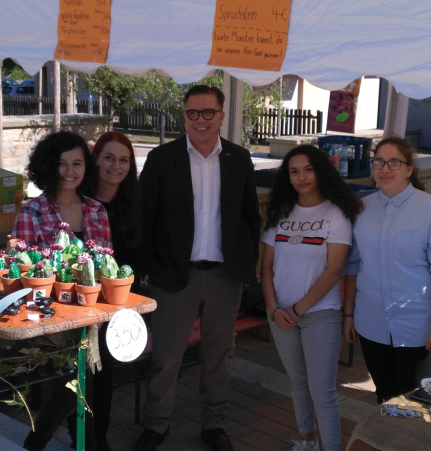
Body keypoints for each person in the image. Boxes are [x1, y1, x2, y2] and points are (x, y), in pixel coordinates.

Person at [135, 85, 262, 451]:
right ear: (184, 116)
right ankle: (157, 425)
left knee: (218, 354)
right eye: (193, 113)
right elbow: (147, 218)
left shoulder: (239, 159)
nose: (200, 120)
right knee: (166, 357)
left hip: (224, 275)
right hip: (176, 275)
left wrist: (245, 265)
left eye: (208, 112)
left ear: (221, 116)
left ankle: (214, 424)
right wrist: (146, 273)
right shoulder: (162, 159)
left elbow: (250, 218)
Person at [14, 131, 113, 451]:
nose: (70, 171)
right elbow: (23, 268)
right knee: (78, 384)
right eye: (62, 163)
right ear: (48, 166)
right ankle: (42, 441)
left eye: (77, 163)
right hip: (49, 317)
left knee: (82, 382)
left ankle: (76, 441)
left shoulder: (97, 211)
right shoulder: (31, 212)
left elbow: (106, 264)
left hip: (90, 315)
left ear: (87, 167)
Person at [343, 137, 431, 403]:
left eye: (394, 162)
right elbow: (353, 264)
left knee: (418, 403)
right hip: (371, 324)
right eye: (379, 162)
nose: (385, 168)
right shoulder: (363, 209)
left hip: (418, 329)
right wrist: (348, 314)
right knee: (385, 397)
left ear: (409, 168)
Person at [260, 145, 361, 451]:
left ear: (320, 171)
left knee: (323, 392)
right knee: (298, 384)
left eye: (307, 169)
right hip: (280, 316)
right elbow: (265, 267)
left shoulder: (335, 213)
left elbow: (335, 270)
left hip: (320, 315)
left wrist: (297, 309)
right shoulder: (280, 213)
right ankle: (306, 440)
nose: (301, 177)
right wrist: (274, 309)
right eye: (293, 171)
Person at [60, 131, 142, 451]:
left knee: (103, 373)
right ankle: (78, 435)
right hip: (77, 302)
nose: (115, 165)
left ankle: (99, 438)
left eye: (123, 160)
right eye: (108, 157)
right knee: (75, 372)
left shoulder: (135, 202)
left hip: (117, 305)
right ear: (96, 160)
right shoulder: (77, 199)